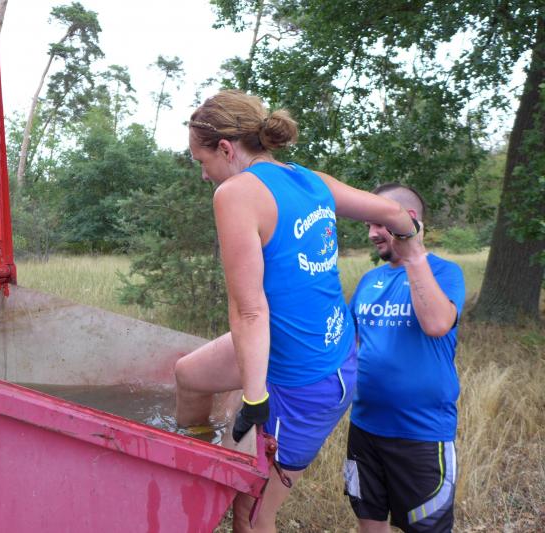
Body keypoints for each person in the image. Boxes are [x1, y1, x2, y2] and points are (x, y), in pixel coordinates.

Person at [174, 90, 419, 533]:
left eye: (201, 162)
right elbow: (392, 211)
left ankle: (233, 473)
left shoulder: (235, 193)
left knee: (252, 516)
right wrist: (410, 237)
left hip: (305, 381)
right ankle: (196, 457)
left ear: (225, 148)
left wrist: (254, 400)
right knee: (188, 375)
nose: (204, 174)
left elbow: (250, 312)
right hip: (330, 350)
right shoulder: (309, 179)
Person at [344, 184, 465, 533]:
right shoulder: (370, 280)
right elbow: (348, 346)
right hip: (365, 428)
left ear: (406, 219)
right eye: (368, 225)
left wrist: (414, 254)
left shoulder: (444, 272)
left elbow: (437, 324)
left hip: (421, 434)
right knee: (369, 522)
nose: (371, 234)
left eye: (378, 223)